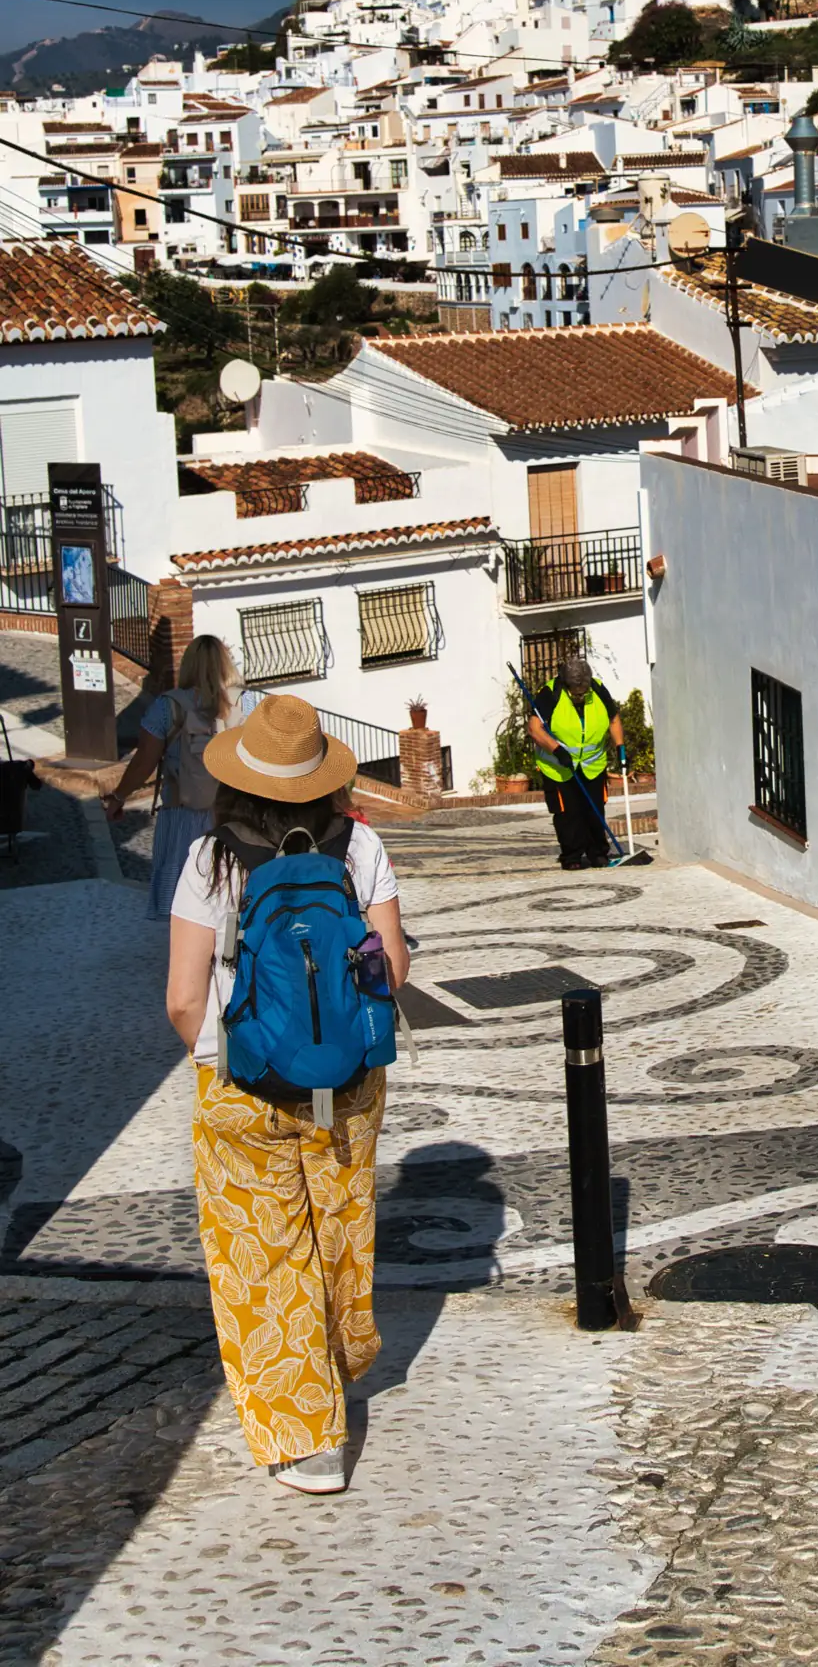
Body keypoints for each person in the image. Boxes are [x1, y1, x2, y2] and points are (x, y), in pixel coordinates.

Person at [165, 691, 409, 1496]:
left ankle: (307, 1439)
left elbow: (181, 996)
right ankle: (340, 1367)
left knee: (263, 1254)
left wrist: (227, 1054)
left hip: (242, 1084)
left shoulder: (210, 861)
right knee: (339, 1234)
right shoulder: (359, 848)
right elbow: (394, 972)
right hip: (348, 1081)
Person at [105, 634, 238, 919]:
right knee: (230, 896)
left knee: (186, 901)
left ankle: (190, 956)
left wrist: (118, 797)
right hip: (232, 815)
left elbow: (144, 761)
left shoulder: (167, 706)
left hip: (183, 815)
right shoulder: (243, 705)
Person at [527, 653, 622, 870]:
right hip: (558, 767)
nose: (580, 696)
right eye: (575, 693)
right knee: (568, 813)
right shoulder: (550, 693)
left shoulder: (597, 689)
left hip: (592, 765)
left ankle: (598, 853)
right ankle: (572, 856)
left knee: (594, 809)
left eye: (583, 692)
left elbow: (613, 719)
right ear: (566, 684)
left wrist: (621, 747)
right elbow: (534, 728)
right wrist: (557, 750)